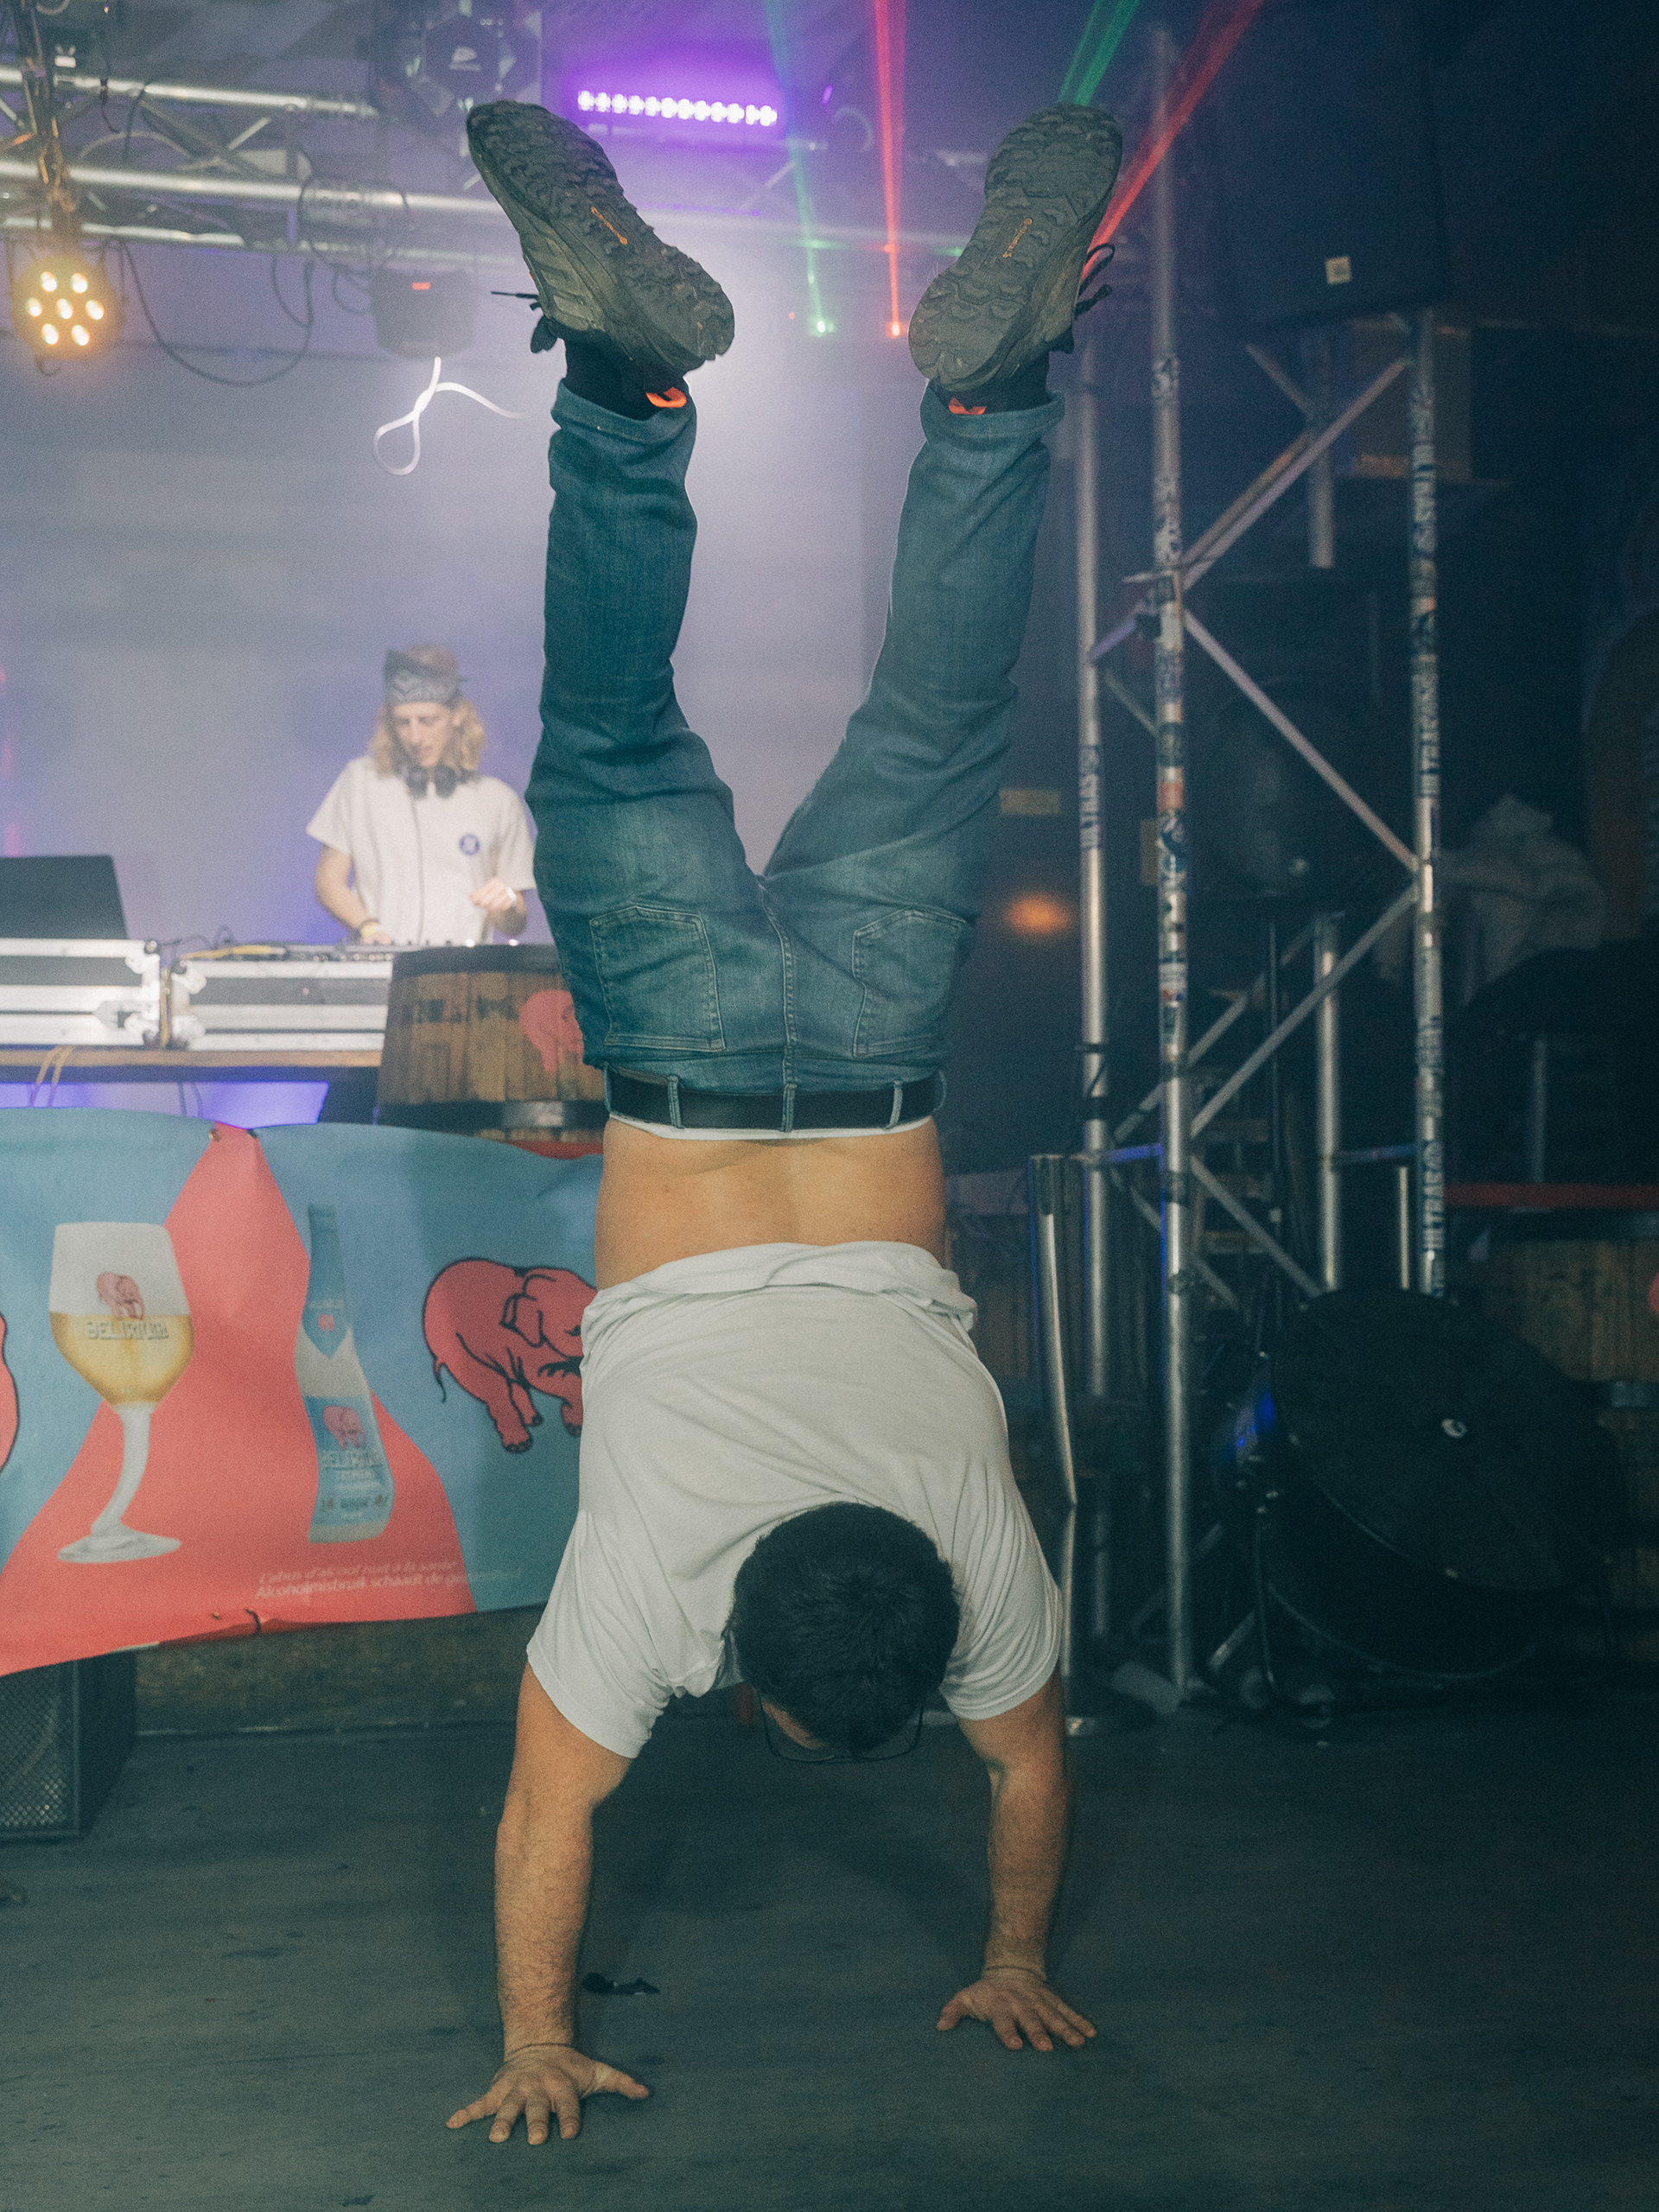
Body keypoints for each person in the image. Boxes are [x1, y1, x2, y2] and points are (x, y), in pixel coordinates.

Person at [446, 99, 1123, 2150]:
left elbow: (1030, 1766)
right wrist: (534, 2040)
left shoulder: (983, 1571)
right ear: (736, 1658)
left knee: (940, 720)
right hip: (676, 1056)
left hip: (882, 1048)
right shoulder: (654, 1587)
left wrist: (1019, 1949)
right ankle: (625, 381)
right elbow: (546, 1815)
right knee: (610, 722)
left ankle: (991, 400)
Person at [307, 644, 535, 950]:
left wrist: (506, 903)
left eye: (427, 721)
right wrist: (367, 926)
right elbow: (328, 882)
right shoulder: (359, 782)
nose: (415, 737)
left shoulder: (498, 801)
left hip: (462, 972)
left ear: (458, 715)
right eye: (403, 722)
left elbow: (515, 923)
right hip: (382, 966)